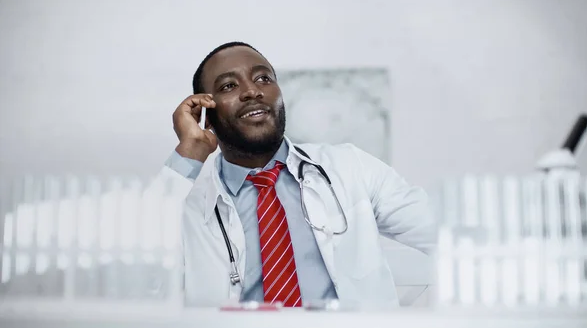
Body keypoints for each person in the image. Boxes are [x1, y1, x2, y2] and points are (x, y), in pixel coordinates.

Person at [157, 41, 436, 308]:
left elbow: (448, 235)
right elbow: (132, 267)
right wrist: (189, 153)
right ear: (206, 110)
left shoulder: (352, 167)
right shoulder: (184, 199)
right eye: (229, 85)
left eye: (263, 79)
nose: (252, 91)